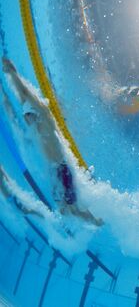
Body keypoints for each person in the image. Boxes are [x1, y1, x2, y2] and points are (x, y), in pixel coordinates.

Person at [1, 57, 101, 225]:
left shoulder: (45, 120)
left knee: (73, 210)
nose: (26, 120)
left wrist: (13, 74)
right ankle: (82, 224)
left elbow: (26, 95)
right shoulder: (34, 129)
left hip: (62, 169)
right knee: (64, 211)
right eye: (25, 118)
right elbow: (22, 100)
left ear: (34, 113)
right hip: (54, 172)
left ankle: (96, 221)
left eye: (28, 116)